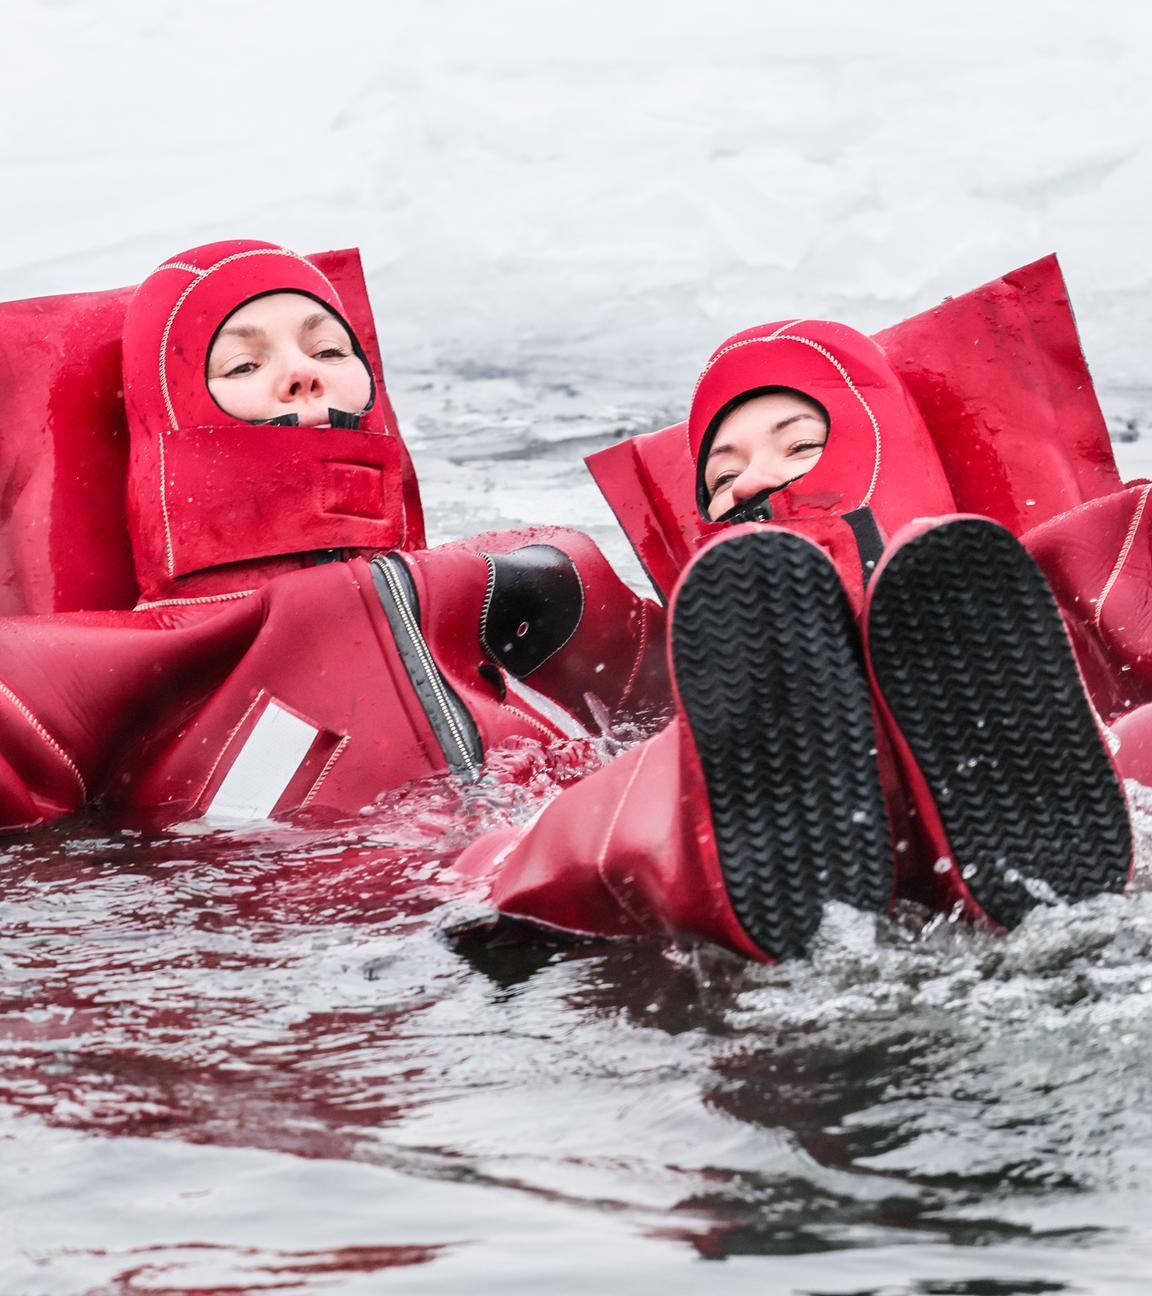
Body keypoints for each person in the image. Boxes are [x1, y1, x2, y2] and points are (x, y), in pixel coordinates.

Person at [451, 319, 1137, 962]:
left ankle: (1042, 801)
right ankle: (744, 825)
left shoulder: (1080, 583)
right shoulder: (673, 685)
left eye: (801, 445)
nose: (751, 480)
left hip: (1046, 772)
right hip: (746, 813)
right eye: (722, 477)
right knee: (518, 843)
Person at [0, 240, 668, 830]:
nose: (303, 373)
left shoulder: (527, 577)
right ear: (170, 426)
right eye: (242, 366)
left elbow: (700, 686)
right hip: (348, 920)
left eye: (327, 349)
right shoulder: (96, 666)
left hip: (553, 845)